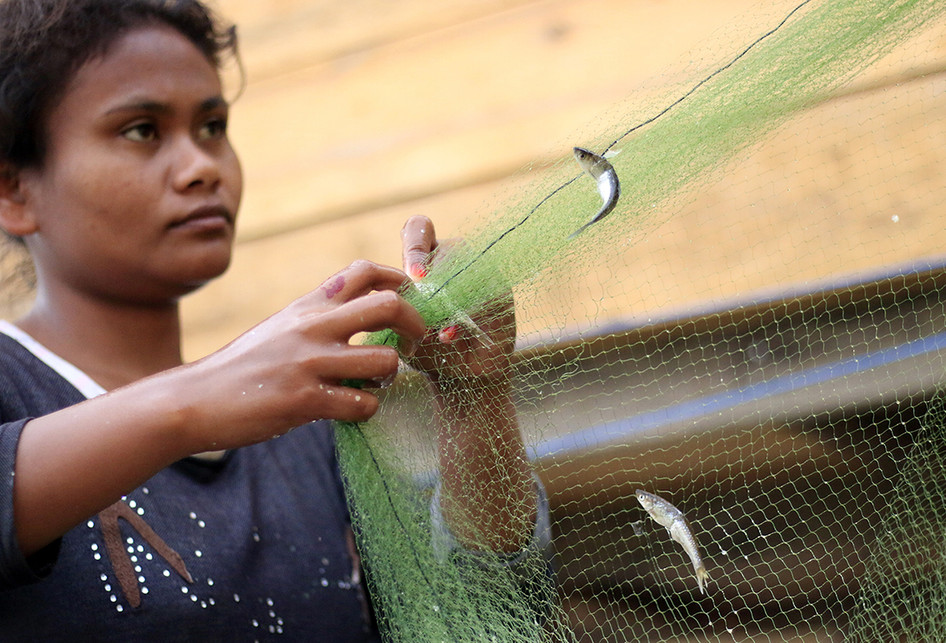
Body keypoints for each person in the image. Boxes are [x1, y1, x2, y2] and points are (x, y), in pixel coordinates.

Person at [0, 0, 550, 639]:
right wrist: (199, 399)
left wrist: (474, 398)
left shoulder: (298, 421)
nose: (202, 165)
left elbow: (475, 614)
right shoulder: (16, 387)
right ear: (14, 191)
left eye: (211, 126)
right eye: (142, 130)